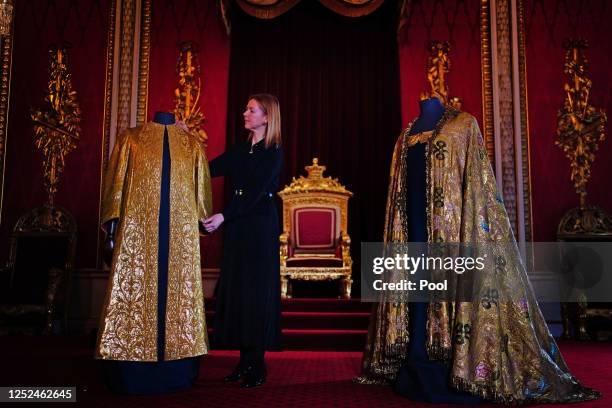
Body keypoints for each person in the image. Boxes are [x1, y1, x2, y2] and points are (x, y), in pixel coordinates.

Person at [356, 97, 600, 404]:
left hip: (453, 237)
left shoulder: (464, 125)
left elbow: (477, 188)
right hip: (412, 233)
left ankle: (454, 361)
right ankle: (417, 351)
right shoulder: (404, 137)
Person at [97, 111, 212, 395]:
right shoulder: (131, 139)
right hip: (138, 234)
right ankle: (132, 368)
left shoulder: (192, 145)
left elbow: (202, 199)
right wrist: (112, 231)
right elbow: (116, 188)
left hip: (179, 238)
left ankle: (176, 367)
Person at [204, 93, 283, 388]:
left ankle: (256, 365)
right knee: (238, 292)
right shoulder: (240, 150)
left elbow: (254, 193)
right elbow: (207, 168)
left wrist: (224, 216)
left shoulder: (273, 152)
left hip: (259, 230)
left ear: (266, 117)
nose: (244, 113)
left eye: (251, 110)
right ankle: (243, 362)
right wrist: (182, 142)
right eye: (246, 108)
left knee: (255, 294)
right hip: (238, 227)